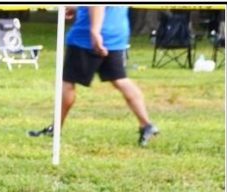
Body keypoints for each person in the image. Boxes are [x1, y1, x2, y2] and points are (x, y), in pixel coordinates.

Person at [29, 6, 159, 146]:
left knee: (68, 82)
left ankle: (55, 128)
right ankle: (146, 124)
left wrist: (95, 31)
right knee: (120, 80)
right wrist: (78, 8)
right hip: (115, 34)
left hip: (87, 38)